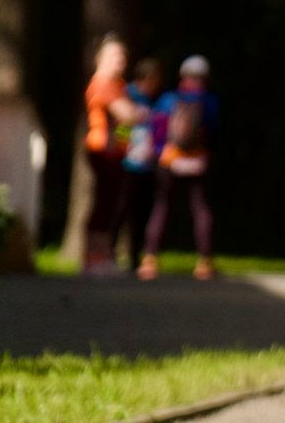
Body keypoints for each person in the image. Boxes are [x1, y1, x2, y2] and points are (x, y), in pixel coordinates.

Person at [142, 55, 222, 280]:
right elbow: (213, 130)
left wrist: (159, 151)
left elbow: (157, 128)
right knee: (200, 209)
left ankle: (150, 259)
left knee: (161, 207)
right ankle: (205, 262)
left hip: (170, 159)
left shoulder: (168, 99)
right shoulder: (209, 101)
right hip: (197, 161)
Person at [78, 36, 142, 275]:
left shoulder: (117, 84)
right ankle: (94, 259)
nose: (121, 60)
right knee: (104, 204)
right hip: (102, 149)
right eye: (115, 55)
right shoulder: (103, 83)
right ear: (100, 58)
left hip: (115, 151)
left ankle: (102, 256)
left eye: (123, 55)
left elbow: (129, 120)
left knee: (110, 204)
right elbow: (127, 114)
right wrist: (136, 114)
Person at [115, 56, 165, 271]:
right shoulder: (128, 95)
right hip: (127, 162)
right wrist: (123, 145)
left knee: (141, 212)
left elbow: (159, 129)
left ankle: (134, 257)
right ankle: (109, 252)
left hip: (147, 163)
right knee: (121, 209)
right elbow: (120, 126)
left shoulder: (155, 101)